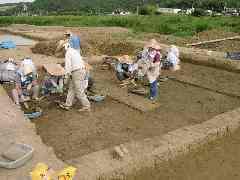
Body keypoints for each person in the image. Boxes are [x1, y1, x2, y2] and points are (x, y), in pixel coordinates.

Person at [59, 42, 91, 112]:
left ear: (65, 47)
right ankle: (68, 104)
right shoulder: (74, 51)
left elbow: (68, 66)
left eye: (62, 49)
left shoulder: (68, 53)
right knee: (71, 88)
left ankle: (86, 106)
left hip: (77, 72)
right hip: (79, 71)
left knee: (79, 91)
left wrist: (66, 77)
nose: (62, 51)